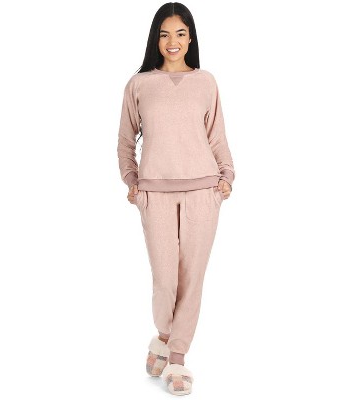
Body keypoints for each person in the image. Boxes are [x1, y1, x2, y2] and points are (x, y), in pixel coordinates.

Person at [117, 2, 235, 395]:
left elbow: (217, 136)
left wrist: (227, 176)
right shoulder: (139, 84)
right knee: (165, 280)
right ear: (156, 38)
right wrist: (131, 180)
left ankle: (177, 357)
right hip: (155, 194)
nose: (173, 42)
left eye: (181, 34)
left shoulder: (206, 82)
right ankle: (164, 337)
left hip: (204, 190)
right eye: (165, 34)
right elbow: (125, 140)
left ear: (191, 38)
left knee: (192, 277)